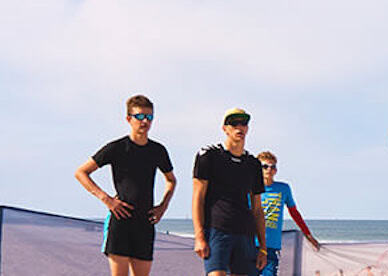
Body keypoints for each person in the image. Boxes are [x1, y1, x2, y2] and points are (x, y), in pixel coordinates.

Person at [75, 95, 176, 276]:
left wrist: (163, 206)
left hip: (145, 222)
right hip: (120, 221)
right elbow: (81, 173)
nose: (145, 121)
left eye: (149, 117)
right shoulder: (117, 148)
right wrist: (106, 199)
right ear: (129, 119)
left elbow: (171, 180)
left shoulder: (157, 150)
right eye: (139, 116)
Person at [192, 108, 268, 276]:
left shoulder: (253, 164)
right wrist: (199, 236)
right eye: (234, 123)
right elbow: (198, 198)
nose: (239, 127)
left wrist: (263, 248)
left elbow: (257, 209)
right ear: (225, 128)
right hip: (217, 230)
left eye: (244, 123)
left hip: (245, 234)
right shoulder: (208, 155)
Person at [255, 151, 322, 276]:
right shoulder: (251, 189)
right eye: (265, 166)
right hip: (251, 243)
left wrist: (308, 235)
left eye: (273, 167)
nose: (269, 169)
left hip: (272, 245)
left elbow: (294, 213)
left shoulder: (283, 188)